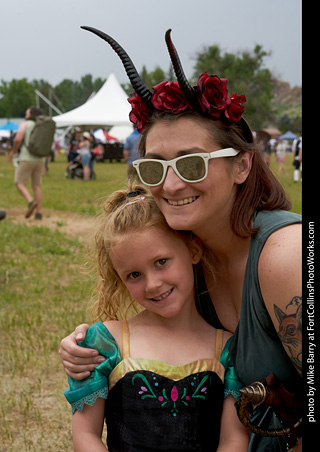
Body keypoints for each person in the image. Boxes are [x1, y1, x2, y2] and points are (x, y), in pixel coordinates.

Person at [60, 28, 302, 451]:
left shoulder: (286, 255)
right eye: (154, 168)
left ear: (243, 165)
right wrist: (84, 346)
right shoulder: (189, 253)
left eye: (192, 164)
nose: (170, 185)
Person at [64, 186, 248, 452]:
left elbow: (234, 440)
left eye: (161, 262)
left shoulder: (228, 349)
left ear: (193, 251)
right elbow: (85, 434)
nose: (152, 284)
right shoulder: (106, 343)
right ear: (120, 278)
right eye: (134, 275)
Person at [9, 106, 45, 220]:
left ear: (31, 114)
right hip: (40, 159)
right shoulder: (42, 125)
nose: (25, 115)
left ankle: (30, 202)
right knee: (37, 185)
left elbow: (18, 139)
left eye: (27, 113)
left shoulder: (25, 124)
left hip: (26, 157)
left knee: (19, 182)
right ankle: (38, 213)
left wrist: (14, 152)